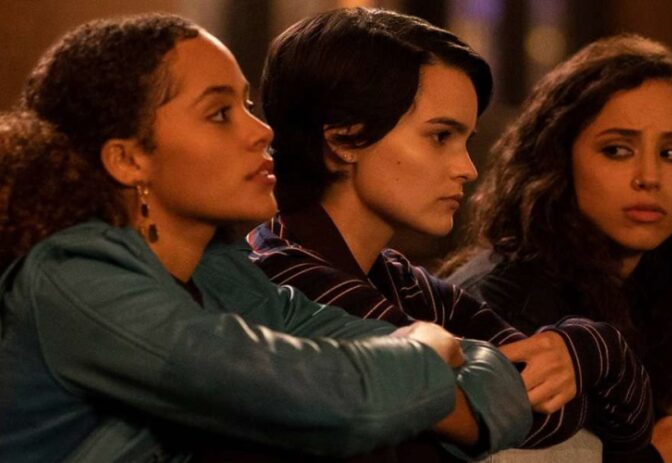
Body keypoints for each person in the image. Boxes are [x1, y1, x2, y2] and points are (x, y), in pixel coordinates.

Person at [0, 14, 532, 462]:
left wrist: (420, 376)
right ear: (128, 158)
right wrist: (429, 348)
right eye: (220, 113)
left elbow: (504, 386)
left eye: (248, 107)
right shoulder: (76, 280)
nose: (262, 132)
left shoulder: (223, 275)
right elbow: (346, 402)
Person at [247, 6, 653, 459]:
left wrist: (592, 348)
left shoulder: (401, 281)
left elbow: (610, 418)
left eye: (466, 140)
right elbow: (515, 414)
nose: (467, 168)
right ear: (343, 138)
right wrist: (595, 358)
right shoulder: (287, 277)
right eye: (440, 136)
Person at [444, 34, 672, 463]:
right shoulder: (510, 304)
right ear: (557, 156)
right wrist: (653, 456)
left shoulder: (650, 283)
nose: (649, 177)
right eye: (617, 150)